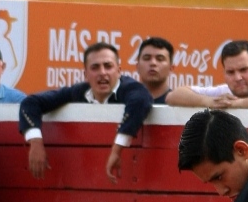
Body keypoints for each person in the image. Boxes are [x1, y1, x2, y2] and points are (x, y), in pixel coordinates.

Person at [19, 41, 153, 183]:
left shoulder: (131, 88)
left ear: (119, 71)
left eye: (108, 66)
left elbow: (141, 101)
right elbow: (30, 102)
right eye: (95, 67)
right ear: (86, 74)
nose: (102, 73)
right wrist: (35, 142)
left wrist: (117, 150)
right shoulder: (79, 91)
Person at [167, 40, 248, 110]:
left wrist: (238, 104)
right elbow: (173, 96)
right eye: (231, 72)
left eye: (244, 70)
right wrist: (209, 102)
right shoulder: (223, 94)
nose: (237, 77)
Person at [136, 36, 173, 103]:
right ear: (137, 66)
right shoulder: (123, 102)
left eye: (160, 59)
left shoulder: (178, 104)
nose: (153, 63)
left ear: (171, 68)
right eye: (147, 58)